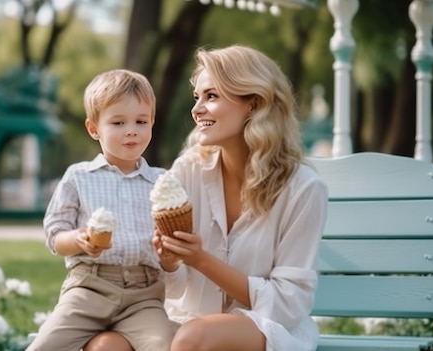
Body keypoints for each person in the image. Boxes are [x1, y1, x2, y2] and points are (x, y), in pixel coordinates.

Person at [84, 45, 328, 351]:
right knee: (105, 345)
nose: (197, 109)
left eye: (211, 96)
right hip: (185, 321)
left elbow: (289, 303)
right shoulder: (187, 171)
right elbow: (172, 290)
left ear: (253, 104)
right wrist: (170, 262)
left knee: (194, 337)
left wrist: (201, 260)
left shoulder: (303, 189)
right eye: (197, 97)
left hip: (264, 328)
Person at [26, 69, 173, 351]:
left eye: (141, 121)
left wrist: (170, 256)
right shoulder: (79, 177)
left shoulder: (161, 183)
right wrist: (78, 239)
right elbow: (55, 233)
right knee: (44, 346)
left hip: (144, 296)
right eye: (118, 122)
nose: (131, 130)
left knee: (164, 345)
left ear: (152, 123)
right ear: (94, 129)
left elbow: (169, 252)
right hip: (89, 287)